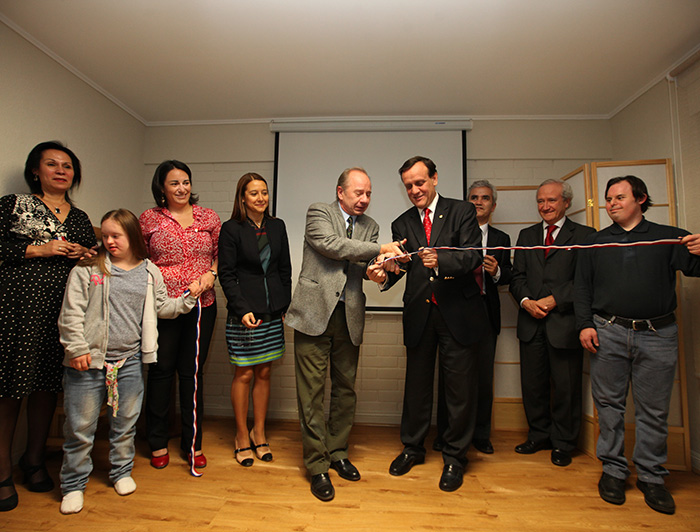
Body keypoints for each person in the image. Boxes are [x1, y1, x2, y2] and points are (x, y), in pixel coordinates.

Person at [57, 209, 200, 514]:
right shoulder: (88, 268)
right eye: (105, 236)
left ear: (132, 236)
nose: (109, 241)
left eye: (115, 235)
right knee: (80, 427)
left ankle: (121, 472)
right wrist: (77, 349)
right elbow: (71, 314)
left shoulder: (149, 271)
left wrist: (189, 296)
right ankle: (73, 485)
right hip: (88, 362)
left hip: (129, 361)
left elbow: (163, 307)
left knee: (125, 424)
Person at [575, 175, 700, 515]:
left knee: (654, 410)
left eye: (619, 197)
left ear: (641, 199)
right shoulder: (595, 241)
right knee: (609, 406)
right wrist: (585, 325)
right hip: (608, 331)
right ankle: (613, 471)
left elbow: (695, 269)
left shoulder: (669, 237)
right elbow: (582, 288)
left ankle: (651, 476)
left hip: (658, 334)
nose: (612, 203)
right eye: (608, 198)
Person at [369, 156, 488, 493]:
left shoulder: (462, 211)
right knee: (416, 388)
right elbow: (403, 267)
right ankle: (412, 448)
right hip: (420, 314)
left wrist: (443, 260)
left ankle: (454, 457)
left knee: (459, 391)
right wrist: (386, 273)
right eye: (408, 185)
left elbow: (473, 255)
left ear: (435, 178)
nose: (414, 190)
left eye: (420, 182)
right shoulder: (402, 222)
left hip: (458, 314)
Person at [285, 167, 403, 502]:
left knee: (345, 390)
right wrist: (381, 248)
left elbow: (360, 266)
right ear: (341, 192)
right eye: (358, 193)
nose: (364, 199)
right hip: (313, 315)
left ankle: (337, 453)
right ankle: (316, 464)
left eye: (368, 194)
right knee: (311, 394)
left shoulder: (370, 226)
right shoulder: (318, 212)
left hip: (348, 317)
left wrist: (381, 272)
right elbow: (332, 246)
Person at [0, 141, 97, 512]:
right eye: (52, 164)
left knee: (46, 388)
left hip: (63, 313)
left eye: (68, 165)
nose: (61, 170)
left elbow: (94, 261)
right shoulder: (13, 205)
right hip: (18, 309)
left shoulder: (78, 216)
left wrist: (83, 253)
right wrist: (37, 249)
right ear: (35, 171)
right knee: (10, 390)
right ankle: (3, 471)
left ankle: (34, 460)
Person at [139, 160, 221, 470]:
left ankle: (192, 443)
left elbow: (219, 255)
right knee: (161, 372)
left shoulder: (208, 217)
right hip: (163, 306)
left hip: (203, 304)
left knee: (192, 374)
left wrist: (210, 275)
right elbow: (139, 259)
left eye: (185, 181)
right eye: (174, 183)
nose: (182, 188)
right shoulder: (149, 219)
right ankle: (157, 442)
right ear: (162, 188)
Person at [509, 179, 594, 468]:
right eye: (541, 201)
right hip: (530, 322)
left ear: (566, 203)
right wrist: (526, 302)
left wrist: (555, 299)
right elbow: (516, 277)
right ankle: (539, 435)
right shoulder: (527, 234)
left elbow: (586, 280)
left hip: (566, 324)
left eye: (552, 201)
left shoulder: (584, 235)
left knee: (567, 386)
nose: (545, 206)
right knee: (533, 386)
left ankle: (563, 443)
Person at [434, 180, 512, 455]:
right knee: (451, 379)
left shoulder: (501, 239)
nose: (479, 202)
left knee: (482, 378)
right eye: (474, 198)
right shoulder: (452, 233)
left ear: (493, 204)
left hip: (485, 312)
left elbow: (510, 276)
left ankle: (480, 434)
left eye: (485, 198)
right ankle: (446, 434)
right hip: (455, 312)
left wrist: (497, 272)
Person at [219, 173, 292, 467]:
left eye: (264, 192)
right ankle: (240, 435)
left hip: (272, 311)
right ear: (243, 198)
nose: (260, 198)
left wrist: (283, 303)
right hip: (244, 313)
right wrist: (240, 308)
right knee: (245, 374)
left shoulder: (277, 226)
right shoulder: (231, 229)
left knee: (264, 373)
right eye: (254, 193)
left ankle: (258, 432)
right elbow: (227, 274)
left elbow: (284, 268)